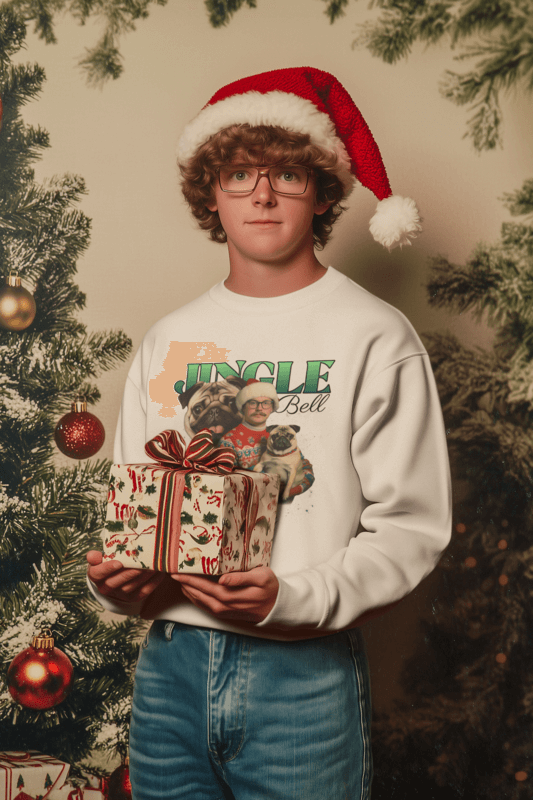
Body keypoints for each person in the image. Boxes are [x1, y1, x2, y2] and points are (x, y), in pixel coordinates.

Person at [87, 67, 452, 800]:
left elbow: (411, 528)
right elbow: (137, 506)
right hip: (168, 669)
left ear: (321, 191)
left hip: (302, 674)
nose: (260, 193)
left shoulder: (373, 335)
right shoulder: (168, 339)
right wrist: (120, 584)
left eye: (286, 173)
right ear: (209, 195)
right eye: (239, 173)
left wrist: (290, 599)